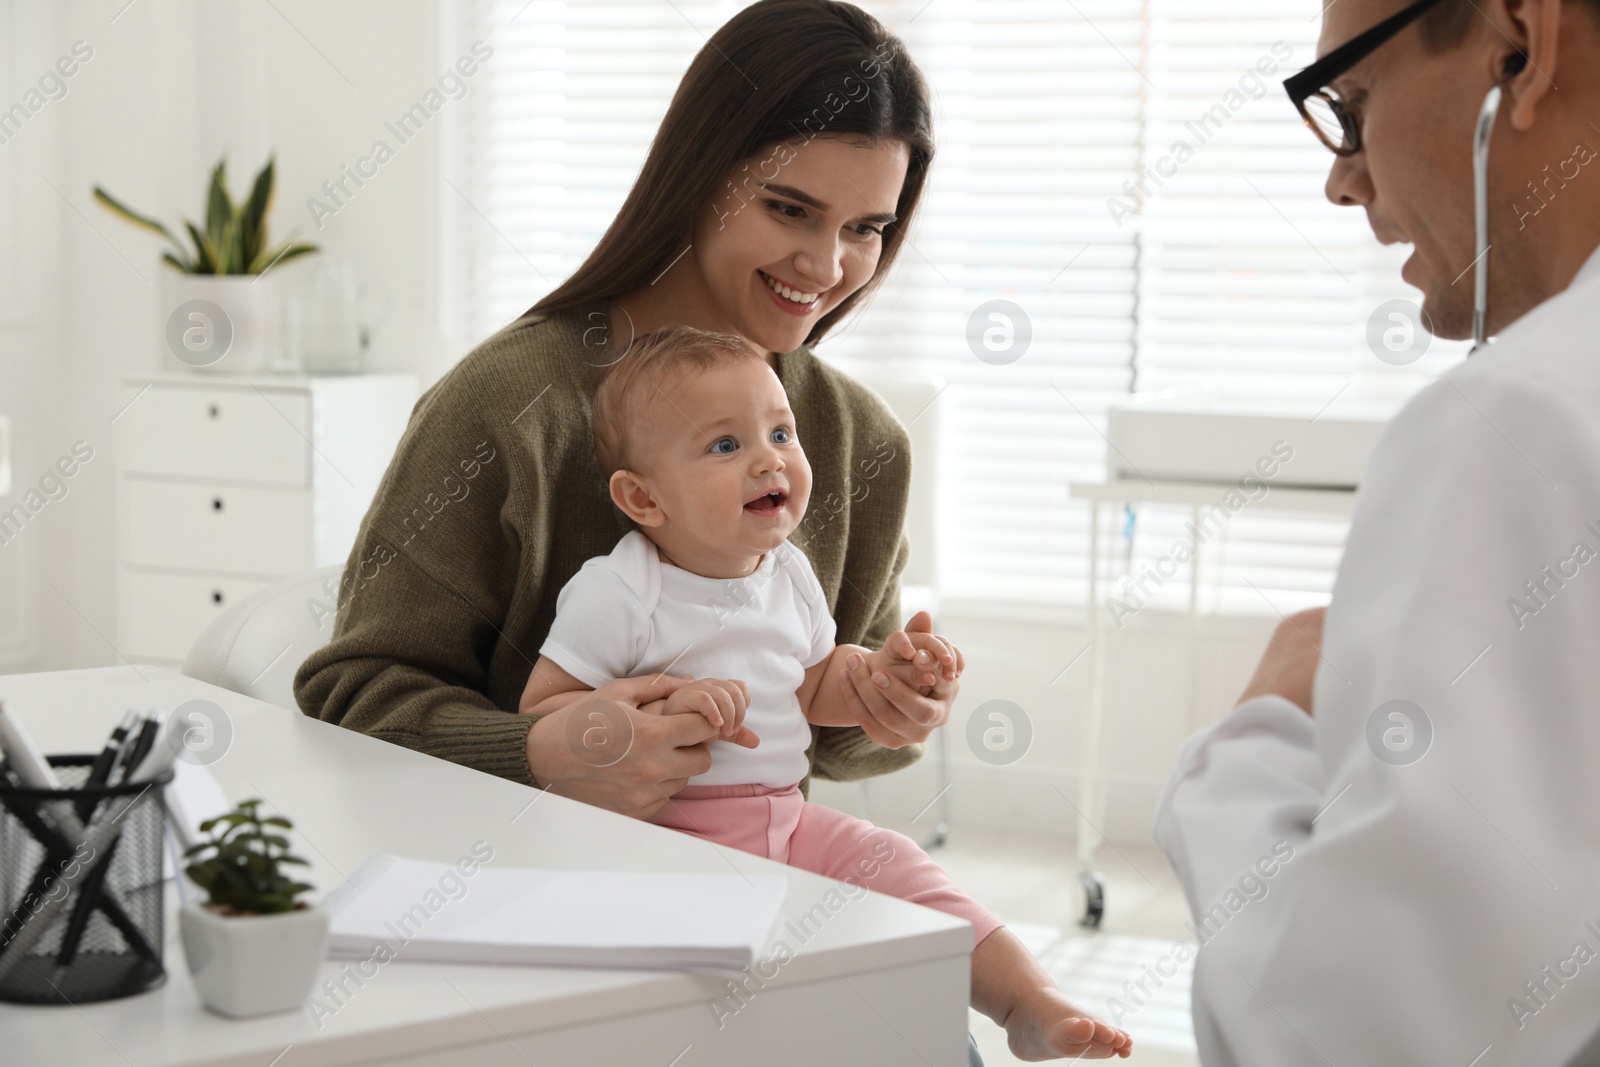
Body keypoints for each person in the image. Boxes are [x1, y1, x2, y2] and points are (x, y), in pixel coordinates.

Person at [294, 0, 952, 821]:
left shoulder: (859, 441)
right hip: (505, 878)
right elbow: (352, 698)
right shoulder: (505, 406)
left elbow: (839, 741)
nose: (826, 265)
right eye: (788, 209)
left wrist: (888, 700)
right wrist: (541, 752)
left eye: (867, 228)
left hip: (743, 892)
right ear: (698, 175)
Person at [1153, 0, 1600, 1063]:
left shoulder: (1528, 413)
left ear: (1520, 46)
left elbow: (1354, 1037)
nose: (1340, 178)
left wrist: (1249, 745)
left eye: (1350, 105)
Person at [519, 326, 1133, 1060]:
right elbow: (543, 715)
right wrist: (646, 712)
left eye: (781, 431)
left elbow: (816, 683)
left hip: (789, 817)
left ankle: (1026, 1001)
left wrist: (880, 676)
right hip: (668, 836)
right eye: (725, 445)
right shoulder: (621, 589)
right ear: (643, 498)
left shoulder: (788, 572)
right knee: (741, 980)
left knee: (905, 868)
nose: (769, 458)